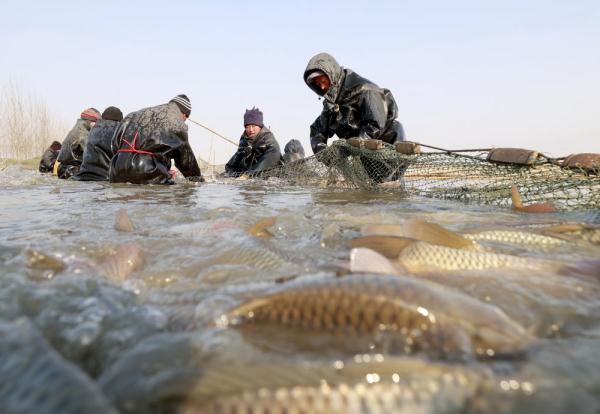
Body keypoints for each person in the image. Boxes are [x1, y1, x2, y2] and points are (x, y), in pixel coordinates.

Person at [303, 52, 405, 154]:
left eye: (323, 80)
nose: (322, 87)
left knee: (389, 169)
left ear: (331, 74)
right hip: (364, 155)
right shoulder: (331, 106)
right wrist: (322, 150)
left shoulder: (366, 89)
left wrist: (357, 143)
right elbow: (317, 130)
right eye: (317, 84)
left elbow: (375, 124)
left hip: (389, 143)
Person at [109, 95, 203, 184]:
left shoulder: (135, 114)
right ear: (184, 114)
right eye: (185, 118)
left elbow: (114, 143)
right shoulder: (177, 123)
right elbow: (186, 161)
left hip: (116, 171)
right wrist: (198, 179)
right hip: (146, 173)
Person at [225, 107, 282, 176]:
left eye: (253, 126)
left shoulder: (268, 140)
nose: (251, 130)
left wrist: (250, 174)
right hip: (246, 174)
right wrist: (231, 173)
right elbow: (234, 161)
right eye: (248, 127)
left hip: (266, 175)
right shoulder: (244, 140)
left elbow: (273, 155)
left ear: (260, 127)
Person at [73, 106, 123, 181]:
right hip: (106, 179)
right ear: (120, 120)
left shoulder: (92, 129)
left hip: (82, 177)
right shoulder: (120, 130)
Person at [56, 108, 101, 179]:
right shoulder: (82, 133)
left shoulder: (78, 127)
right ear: (90, 121)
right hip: (70, 170)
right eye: (97, 123)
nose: (98, 126)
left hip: (65, 168)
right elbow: (92, 156)